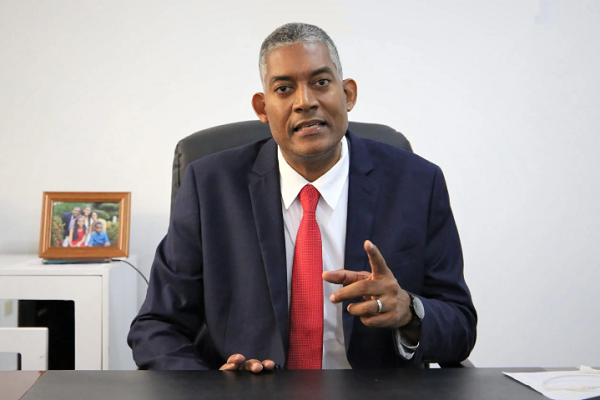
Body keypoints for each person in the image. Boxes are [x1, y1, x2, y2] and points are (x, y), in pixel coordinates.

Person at [128, 23, 476, 371]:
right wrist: (209, 388)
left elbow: (460, 326)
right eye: (284, 89)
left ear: (348, 94)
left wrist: (410, 311)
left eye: (321, 82)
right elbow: (157, 326)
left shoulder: (417, 183)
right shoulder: (210, 188)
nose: (305, 102)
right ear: (263, 108)